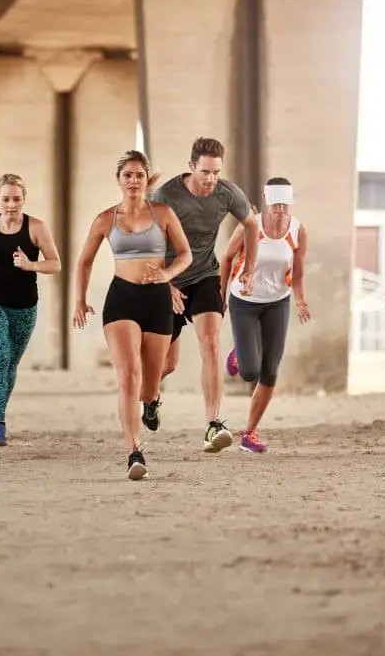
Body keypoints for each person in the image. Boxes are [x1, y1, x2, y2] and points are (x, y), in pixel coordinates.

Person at [72, 150, 192, 480]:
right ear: (119, 180)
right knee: (128, 376)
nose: (134, 180)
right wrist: (79, 301)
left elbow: (185, 254)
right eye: (128, 175)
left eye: (140, 175)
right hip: (121, 300)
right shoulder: (105, 219)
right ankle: (134, 452)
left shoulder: (164, 214)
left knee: (149, 385)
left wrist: (168, 275)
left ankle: (151, 402)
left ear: (146, 179)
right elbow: (84, 261)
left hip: (156, 302)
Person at [147, 136, 260, 453]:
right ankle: (151, 397)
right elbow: (147, 242)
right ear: (191, 167)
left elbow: (251, 225)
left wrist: (248, 269)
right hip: (167, 278)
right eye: (205, 172)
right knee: (165, 366)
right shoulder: (167, 195)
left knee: (210, 341)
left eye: (216, 172)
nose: (211, 179)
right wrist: (166, 283)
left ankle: (213, 425)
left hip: (204, 276)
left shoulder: (227, 193)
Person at [0, 173, 61, 447]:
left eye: (17, 199)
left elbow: (55, 263)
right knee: (1, 352)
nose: (11, 204)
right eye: (5, 199)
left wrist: (31, 266)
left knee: (10, 365)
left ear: (24, 200)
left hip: (25, 307)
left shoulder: (36, 228)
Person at [221, 177, 311, 453]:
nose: (280, 210)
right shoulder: (251, 225)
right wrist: (221, 296)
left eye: (284, 204)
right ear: (267, 202)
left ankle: (249, 433)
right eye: (275, 204)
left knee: (270, 370)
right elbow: (227, 257)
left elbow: (298, 270)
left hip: (277, 302)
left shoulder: (297, 231)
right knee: (250, 371)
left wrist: (300, 300)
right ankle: (239, 353)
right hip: (244, 300)